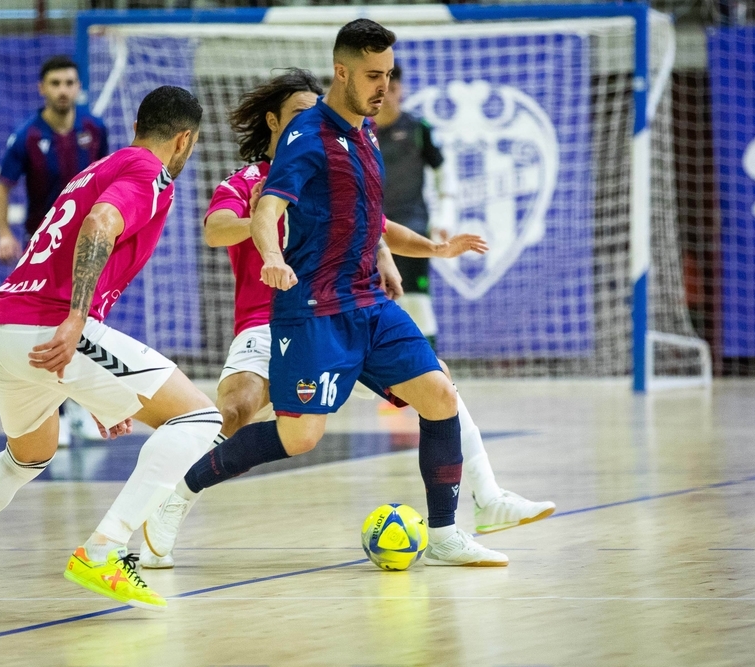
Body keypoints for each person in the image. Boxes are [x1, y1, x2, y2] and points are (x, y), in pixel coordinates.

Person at [141, 19, 538, 568]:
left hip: (367, 305)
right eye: (374, 75)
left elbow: (375, 221)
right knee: (298, 437)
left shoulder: (365, 133)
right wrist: (274, 258)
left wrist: (434, 249)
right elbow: (268, 209)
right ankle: (176, 500)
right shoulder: (307, 140)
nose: (385, 86)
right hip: (313, 312)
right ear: (342, 71)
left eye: (390, 74)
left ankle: (446, 532)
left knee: (440, 394)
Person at [0, 86, 222, 612]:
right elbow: (100, 226)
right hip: (50, 325)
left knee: (28, 455)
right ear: (185, 140)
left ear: (138, 125)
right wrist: (75, 320)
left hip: (0, 328)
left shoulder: (98, 167)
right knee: (200, 420)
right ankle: (105, 550)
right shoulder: (148, 175)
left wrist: (96, 394)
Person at [0, 55, 110, 444]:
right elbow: (2, 190)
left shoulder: (95, 129)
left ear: (79, 88)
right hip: (44, 248)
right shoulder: (27, 135)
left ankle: (80, 407)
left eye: (69, 82)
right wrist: (4, 233)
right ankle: (53, 410)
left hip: (89, 246)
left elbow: (109, 183)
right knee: (45, 324)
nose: (63, 89)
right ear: (42, 88)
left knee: (86, 319)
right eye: (55, 83)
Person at [376, 62, 456, 348]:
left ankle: (432, 369)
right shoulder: (359, 132)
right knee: (371, 301)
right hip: (371, 232)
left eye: (393, 89)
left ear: (402, 90)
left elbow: (444, 173)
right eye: (382, 89)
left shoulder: (418, 128)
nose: (388, 96)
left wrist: (444, 217)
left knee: (415, 300)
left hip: (411, 226)